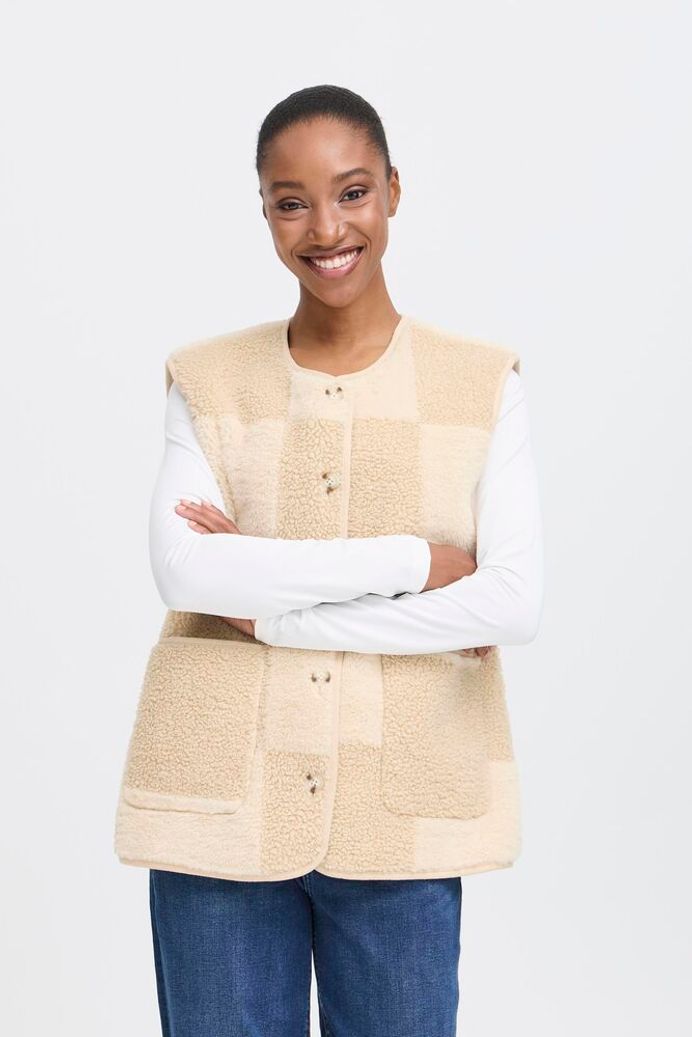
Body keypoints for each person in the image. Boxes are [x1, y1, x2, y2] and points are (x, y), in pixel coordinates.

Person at [122, 84, 544, 1036]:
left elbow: (511, 602)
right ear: (265, 210)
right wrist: (418, 561)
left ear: (393, 189)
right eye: (291, 202)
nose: (325, 229)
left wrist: (271, 607)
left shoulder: (481, 384)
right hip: (221, 814)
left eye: (352, 192)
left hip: (402, 817)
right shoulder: (206, 379)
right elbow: (188, 574)